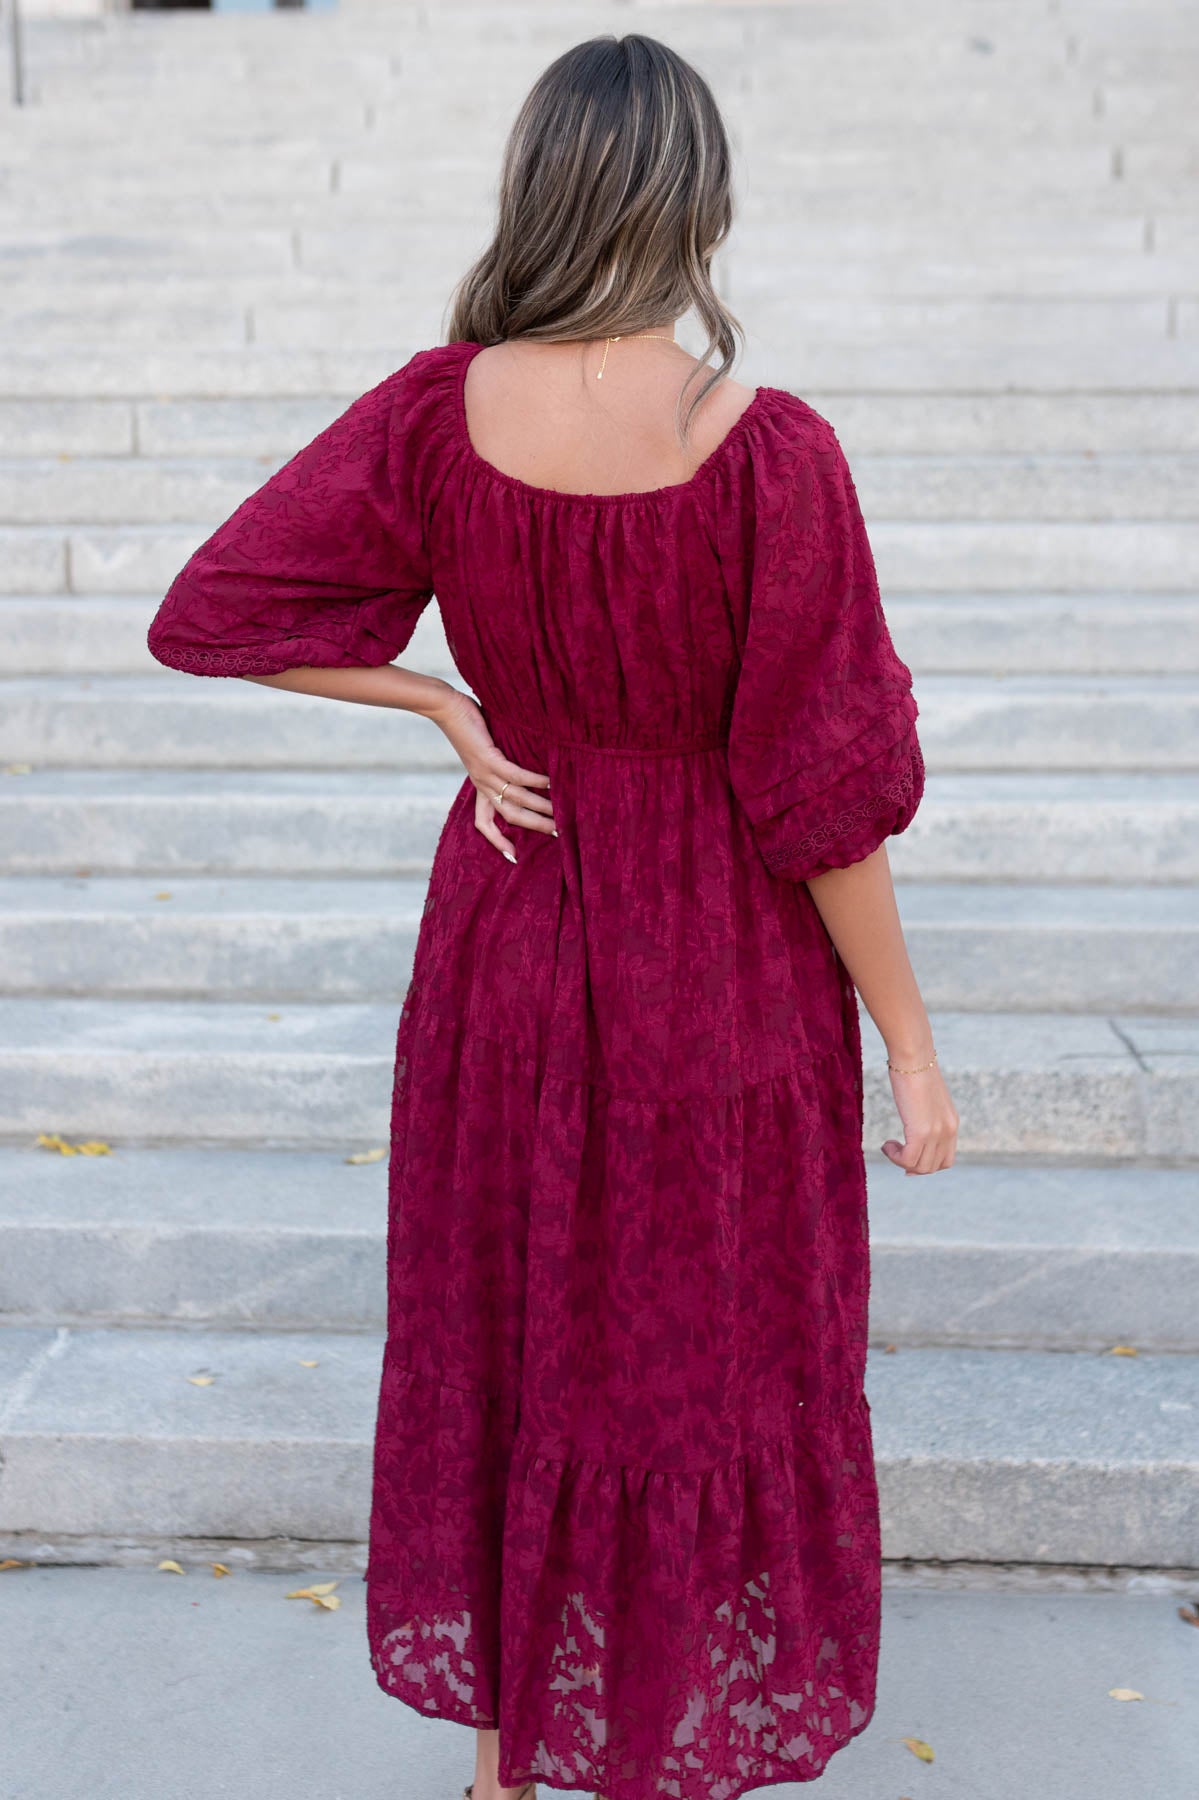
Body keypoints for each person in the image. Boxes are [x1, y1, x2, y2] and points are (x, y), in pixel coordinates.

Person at [146, 31, 958, 1800]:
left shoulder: (440, 413)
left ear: (542, 190)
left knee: (516, 1341)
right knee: (709, 1360)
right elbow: (823, 800)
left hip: (508, 941)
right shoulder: (769, 455)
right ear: (698, 204)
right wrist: (907, 1042)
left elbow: (212, 610)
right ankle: (666, 1741)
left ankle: (513, 1766)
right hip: (722, 971)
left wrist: (442, 701)